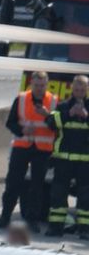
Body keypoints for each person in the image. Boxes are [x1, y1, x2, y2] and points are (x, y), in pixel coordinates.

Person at [0, 71, 56, 232]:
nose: (39, 88)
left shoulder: (53, 102)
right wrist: (22, 129)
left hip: (42, 150)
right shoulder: (21, 99)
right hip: (22, 146)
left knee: (37, 187)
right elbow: (10, 123)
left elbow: (57, 127)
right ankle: (5, 216)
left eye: (42, 85)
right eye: (36, 85)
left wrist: (47, 115)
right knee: (13, 184)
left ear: (47, 84)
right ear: (31, 84)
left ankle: (33, 220)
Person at [45, 74, 89, 239]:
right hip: (63, 159)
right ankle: (55, 227)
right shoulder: (63, 106)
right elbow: (49, 123)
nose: (79, 92)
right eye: (77, 89)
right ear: (72, 89)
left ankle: (85, 229)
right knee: (58, 194)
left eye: (83, 89)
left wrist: (86, 116)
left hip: (85, 161)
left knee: (86, 197)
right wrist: (69, 113)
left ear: (87, 90)